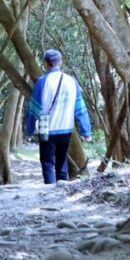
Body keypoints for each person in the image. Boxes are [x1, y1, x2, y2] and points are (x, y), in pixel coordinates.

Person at [23, 49, 92, 184]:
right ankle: (62, 191)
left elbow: (34, 108)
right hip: (66, 129)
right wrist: (86, 132)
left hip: (47, 129)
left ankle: (50, 191)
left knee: (47, 162)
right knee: (62, 161)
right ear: (60, 62)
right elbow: (80, 109)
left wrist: (30, 128)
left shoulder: (43, 81)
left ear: (46, 64)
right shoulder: (72, 81)